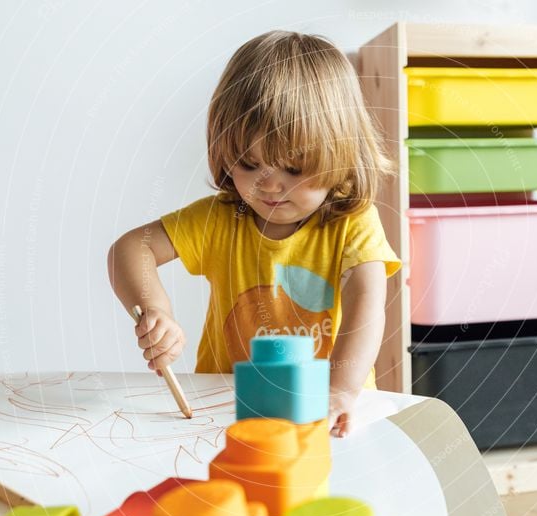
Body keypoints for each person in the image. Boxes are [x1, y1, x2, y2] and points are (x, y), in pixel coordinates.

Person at [107, 30, 401, 437]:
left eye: (294, 169)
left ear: (342, 155)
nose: (269, 185)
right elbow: (132, 247)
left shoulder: (352, 222)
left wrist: (340, 390)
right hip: (229, 412)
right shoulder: (222, 218)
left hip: (330, 415)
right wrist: (155, 309)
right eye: (247, 163)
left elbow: (366, 303)